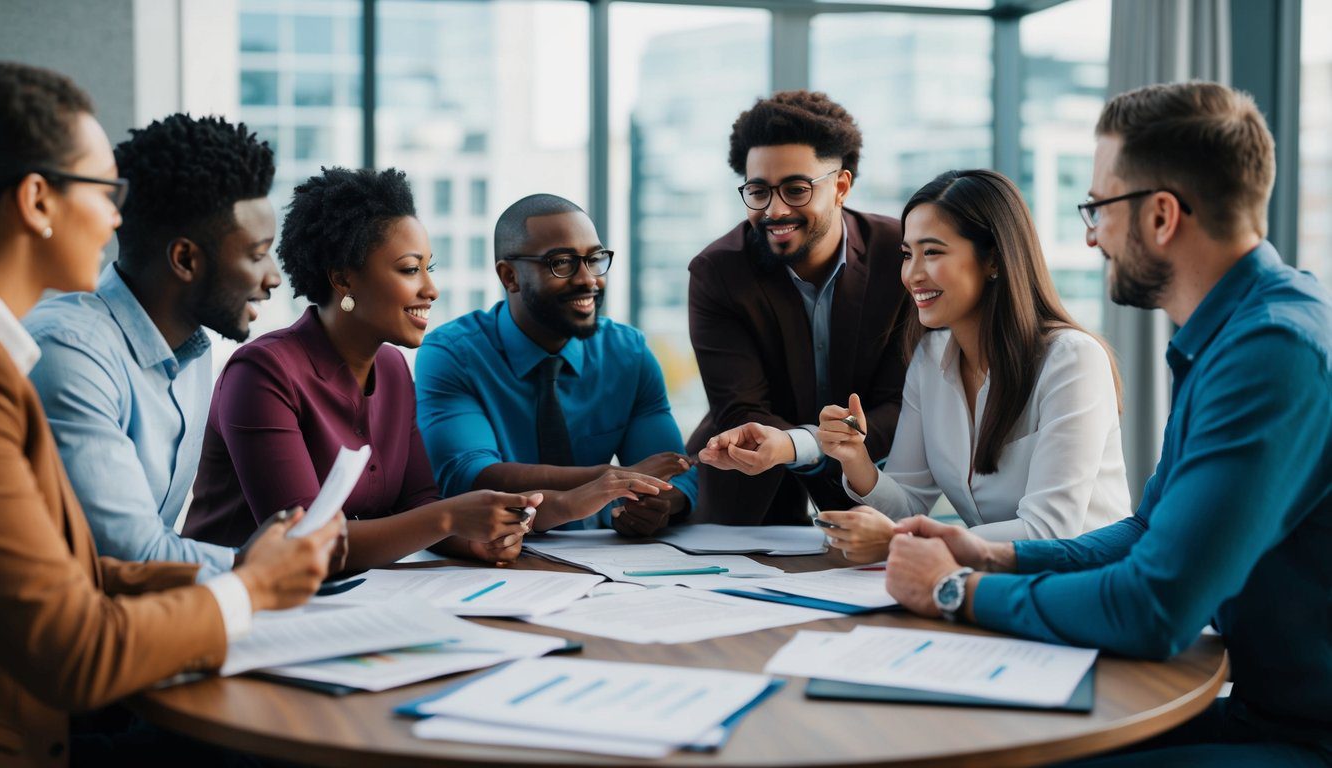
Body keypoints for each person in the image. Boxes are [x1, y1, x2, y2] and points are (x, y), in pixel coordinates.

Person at [883, 82, 1331, 765]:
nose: (1090, 233)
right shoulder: (1231, 335)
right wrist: (993, 554)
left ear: (1159, 217)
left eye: (1096, 207)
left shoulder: (1269, 352)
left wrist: (954, 592)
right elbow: (1147, 532)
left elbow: (1153, 609)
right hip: (1260, 711)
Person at [0, 61, 341, 766]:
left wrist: (256, 571)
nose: (119, 218)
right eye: (104, 192)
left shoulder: (188, 353)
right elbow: (81, 634)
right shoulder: (55, 352)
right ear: (37, 201)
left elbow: (87, 569)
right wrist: (250, 585)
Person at [185, 167, 541, 567]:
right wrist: (450, 518)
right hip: (231, 603)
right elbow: (304, 541)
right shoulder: (261, 373)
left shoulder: (392, 368)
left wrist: (474, 539)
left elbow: (419, 501)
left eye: (430, 268)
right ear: (342, 279)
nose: (431, 289)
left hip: (350, 600)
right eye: (410, 269)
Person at [812, 169, 1129, 562]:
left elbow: (1050, 529)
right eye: (907, 254)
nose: (912, 275)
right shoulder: (929, 360)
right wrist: (855, 458)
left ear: (993, 259)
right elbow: (909, 505)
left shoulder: (1071, 361)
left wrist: (901, 542)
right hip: (990, 583)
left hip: (1086, 586)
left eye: (932, 252)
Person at [24, 113, 282, 579]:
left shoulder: (195, 350)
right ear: (185, 259)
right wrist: (254, 567)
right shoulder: (69, 352)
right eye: (257, 254)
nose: (273, 278)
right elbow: (130, 553)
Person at [690, 90, 911, 525]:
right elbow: (740, 408)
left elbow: (902, 405)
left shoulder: (900, 256)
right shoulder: (717, 272)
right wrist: (798, 445)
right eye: (758, 191)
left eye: (796, 189)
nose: (775, 210)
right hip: (752, 489)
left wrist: (805, 445)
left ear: (841, 187)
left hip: (873, 484)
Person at [415, 194, 690, 536]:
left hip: (605, 559)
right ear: (510, 276)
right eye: (562, 263)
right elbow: (470, 473)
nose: (588, 279)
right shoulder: (452, 354)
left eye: (595, 259)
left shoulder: (628, 353)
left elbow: (673, 471)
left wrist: (661, 504)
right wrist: (613, 478)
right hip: (484, 553)